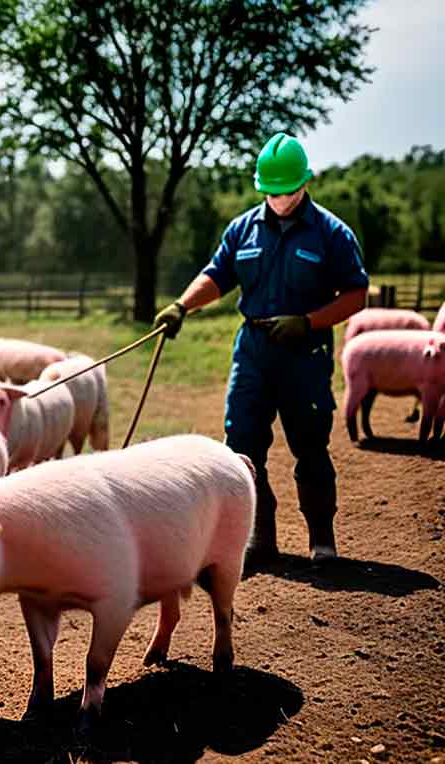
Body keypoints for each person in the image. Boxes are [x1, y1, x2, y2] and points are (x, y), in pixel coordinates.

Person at [153, 132, 368, 569]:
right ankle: (259, 538)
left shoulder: (331, 233)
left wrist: (308, 321)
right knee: (243, 445)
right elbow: (218, 275)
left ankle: (322, 540)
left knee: (310, 443)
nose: (277, 198)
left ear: (305, 183)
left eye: (285, 190)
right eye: (269, 190)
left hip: (303, 351)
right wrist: (182, 306)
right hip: (253, 350)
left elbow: (356, 294)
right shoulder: (243, 228)